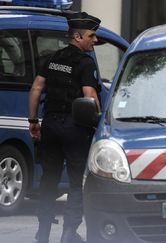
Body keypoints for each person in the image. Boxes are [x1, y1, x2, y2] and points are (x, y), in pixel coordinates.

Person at [28, 12, 101, 243]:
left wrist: (33, 121)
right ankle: (69, 231)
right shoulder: (86, 63)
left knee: (48, 179)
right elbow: (90, 97)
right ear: (78, 36)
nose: (95, 40)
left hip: (50, 125)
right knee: (76, 180)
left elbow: (36, 89)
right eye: (91, 35)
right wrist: (98, 121)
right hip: (75, 128)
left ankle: (43, 231)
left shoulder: (52, 58)